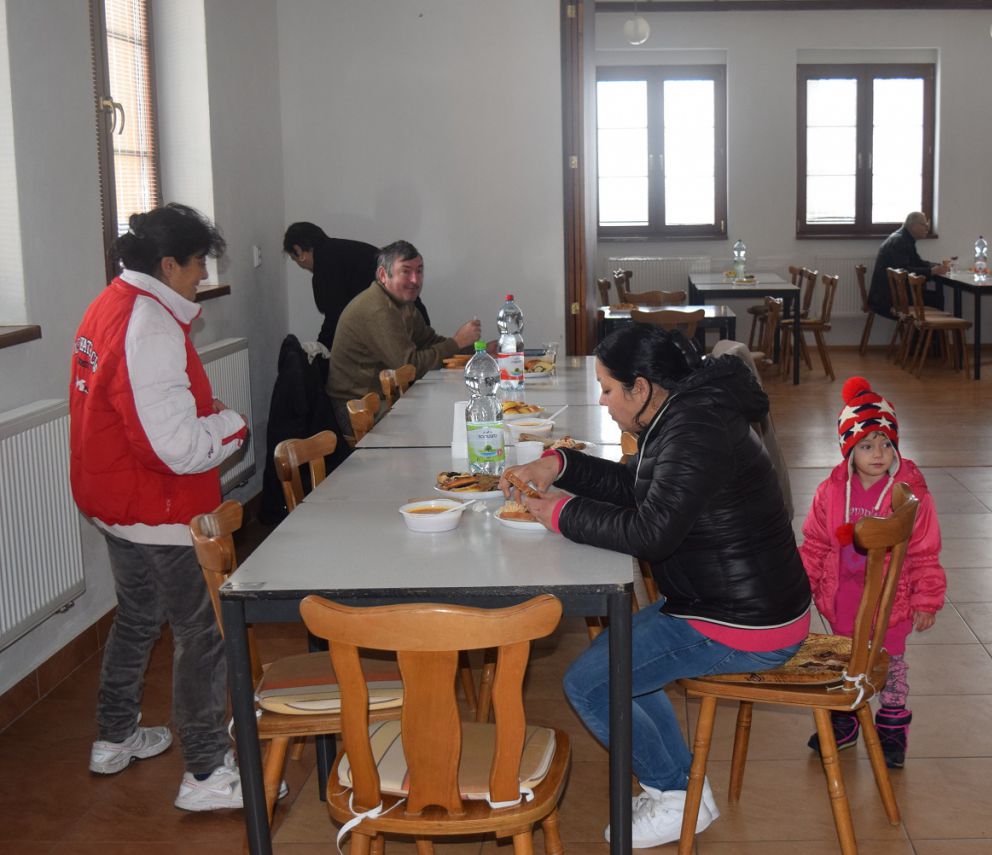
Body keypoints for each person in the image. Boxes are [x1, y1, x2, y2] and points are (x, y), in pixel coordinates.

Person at [499, 325, 812, 849]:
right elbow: (641, 490)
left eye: (607, 389)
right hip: (731, 602)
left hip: (745, 622)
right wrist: (560, 464)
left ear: (641, 387)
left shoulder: (695, 429)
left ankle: (671, 793)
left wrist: (560, 514)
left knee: (589, 684)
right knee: (616, 668)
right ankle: (685, 792)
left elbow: (650, 532)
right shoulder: (685, 412)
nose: (603, 400)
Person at [69, 203, 250, 811]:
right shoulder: (149, 325)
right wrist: (230, 425)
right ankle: (206, 770)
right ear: (169, 264)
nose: (202, 275)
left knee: (139, 616)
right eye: (198, 263)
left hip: (115, 500)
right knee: (202, 632)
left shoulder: (110, 302)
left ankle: (114, 736)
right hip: (157, 509)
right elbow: (174, 447)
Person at [798, 376, 946, 767]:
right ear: (849, 449)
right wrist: (801, 586)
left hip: (890, 600)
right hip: (843, 597)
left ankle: (892, 724)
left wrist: (927, 598)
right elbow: (815, 544)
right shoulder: (830, 491)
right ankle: (845, 721)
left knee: (890, 666)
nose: (878, 454)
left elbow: (925, 551)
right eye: (866, 445)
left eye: (885, 444)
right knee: (846, 662)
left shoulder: (910, 495)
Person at [325, 239, 481, 436]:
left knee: (452, 408)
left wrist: (478, 350)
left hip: (386, 398)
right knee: (443, 419)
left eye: (419, 271)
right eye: (406, 271)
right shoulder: (378, 310)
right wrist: (457, 342)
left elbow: (428, 341)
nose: (415, 280)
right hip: (357, 409)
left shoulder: (403, 303)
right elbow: (411, 365)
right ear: (383, 275)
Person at [282, 221, 428, 348]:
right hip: (412, 321)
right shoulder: (342, 251)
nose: (301, 265)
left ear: (299, 251)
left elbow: (335, 315)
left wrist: (319, 350)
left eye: (295, 259)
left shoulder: (326, 262)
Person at [868, 211, 952, 318]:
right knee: (936, 299)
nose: (927, 228)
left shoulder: (903, 238)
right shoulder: (900, 241)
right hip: (888, 299)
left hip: (887, 295)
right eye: (924, 225)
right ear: (913, 226)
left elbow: (918, 263)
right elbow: (903, 271)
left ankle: (917, 329)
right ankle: (923, 329)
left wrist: (937, 266)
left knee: (931, 296)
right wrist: (932, 271)